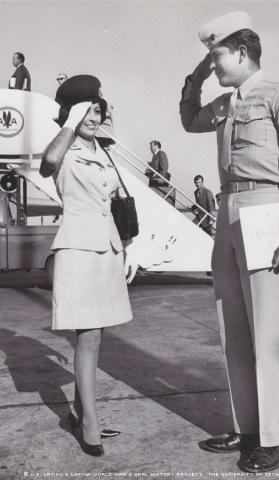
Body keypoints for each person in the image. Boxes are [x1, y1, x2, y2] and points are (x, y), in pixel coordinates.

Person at [180, 11, 279, 473]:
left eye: (216, 55)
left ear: (242, 51)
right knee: (233, 327)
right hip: (227, 212)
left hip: (265, 211)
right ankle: (247, 428)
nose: (213, 64)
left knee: (269, 330)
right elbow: (189, 119)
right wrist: (198, 75)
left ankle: (275, 437)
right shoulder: (224, 102)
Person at [40, 75, 138, 457]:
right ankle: (90, 424)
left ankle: (84, 415)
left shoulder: (104, 150)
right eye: (88, 110)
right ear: (73, 112)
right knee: (89, 336)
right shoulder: (61, 147)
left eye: (98, 109)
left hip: (109, 249)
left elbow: (116, 199)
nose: (95, 117)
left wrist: (130, 247)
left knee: (96, 336)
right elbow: (48, 166)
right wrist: (70, 123)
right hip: (78, 250)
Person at [145, 140, 175, 206]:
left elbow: (164, 167)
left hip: (159, 182)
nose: (150, 148)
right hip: (154, 181)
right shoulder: (154, 156)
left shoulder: (161, 153)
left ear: (157, 146)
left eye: (151, 146)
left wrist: (161, 178)